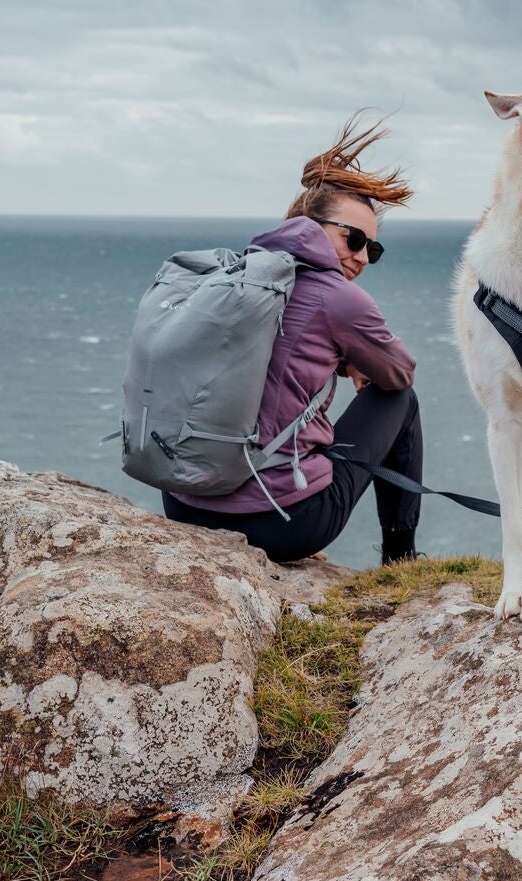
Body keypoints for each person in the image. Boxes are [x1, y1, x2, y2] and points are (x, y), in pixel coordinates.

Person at [161, 116, 424, 564]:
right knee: (401, 400)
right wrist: (355, 360)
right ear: (312, 225)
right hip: (282, 522)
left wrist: (342, 360)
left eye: (372, 249)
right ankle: (401, 558)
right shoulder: (341, 299)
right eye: (354, 239)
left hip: (184, 503)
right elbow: (399, 371)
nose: (362, 257)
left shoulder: (241, 272)